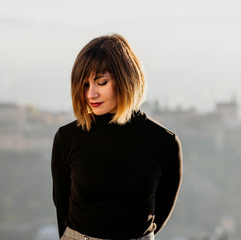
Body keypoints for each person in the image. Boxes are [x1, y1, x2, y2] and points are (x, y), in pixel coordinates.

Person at [51, 33, 182, 240]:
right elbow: (62, 208)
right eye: (84, 85)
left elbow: (161, 212)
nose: (90, 94)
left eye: (101, 83)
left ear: (125, 80)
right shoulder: (67, 138)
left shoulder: (164, 142)